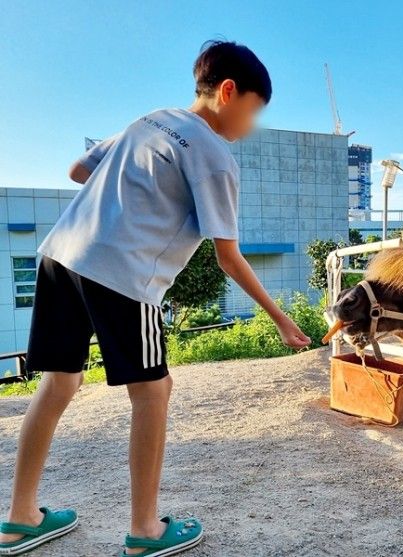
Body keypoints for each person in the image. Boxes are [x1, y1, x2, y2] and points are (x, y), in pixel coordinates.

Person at [0, 40, 311, 556]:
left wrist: (138, 189)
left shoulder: (151, 119)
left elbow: (79, 171)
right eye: (254, 111)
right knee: (152, 392)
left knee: (58, 382)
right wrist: (280, 319)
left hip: (61, 255)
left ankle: (18, 519)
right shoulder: (215, 156)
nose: (251, 125)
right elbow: (228, 257)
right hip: (123, 273)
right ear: (228, 92)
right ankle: (145, 530)